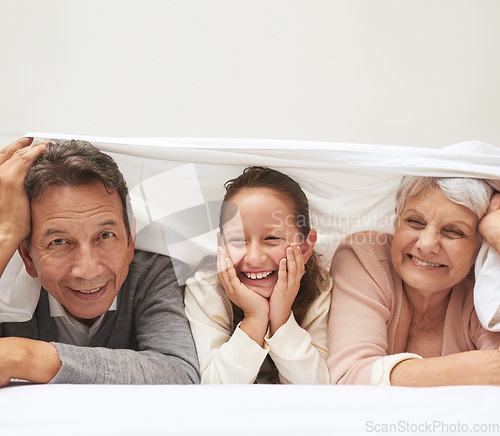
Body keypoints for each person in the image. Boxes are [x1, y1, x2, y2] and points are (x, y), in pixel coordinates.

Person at [0, 138, 200, 386]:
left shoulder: (150, 273)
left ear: (129, 242)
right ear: (28, 257)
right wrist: (5, 233)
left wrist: (28, 358)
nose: (87, 270)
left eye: (105, 236)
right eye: (59, 242)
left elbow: (180, 374)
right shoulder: (7, 282)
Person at [327, 176, 500, 386]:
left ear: (481, 246)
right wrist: (470, 369)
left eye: (454, 231)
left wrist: (497, 236)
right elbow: (350, 378)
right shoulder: (365, 257)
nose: (427, 244)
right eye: (415, 222)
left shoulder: (484, 286)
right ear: (396, 219)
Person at [184, 166, 331, 384]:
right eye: (238, 240)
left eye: (272, 238)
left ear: (306, 247)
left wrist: (281, 318)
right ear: (221, 246)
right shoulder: (205, 288)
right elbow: (213, 390)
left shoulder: (320, 286)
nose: (253, 258)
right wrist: (255, 317)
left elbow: (320, 388)